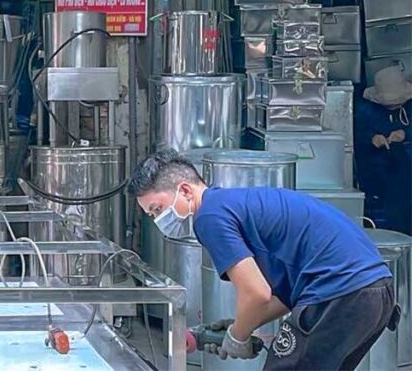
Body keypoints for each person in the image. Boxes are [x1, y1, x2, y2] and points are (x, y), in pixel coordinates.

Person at [128, 151, 399, 370]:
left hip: (339, 293)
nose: (158, 221)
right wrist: (240, 326)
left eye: (158, 209)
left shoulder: (210, 216)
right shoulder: (235, 204)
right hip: (375, 293)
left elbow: (256, 293)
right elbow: (279, 297)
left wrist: (237, 337)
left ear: (185, 190)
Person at [354, 65, 412, 234]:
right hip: (379, 174)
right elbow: (356, 135)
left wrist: (405, 134)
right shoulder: (366, 110)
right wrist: (372, 138)